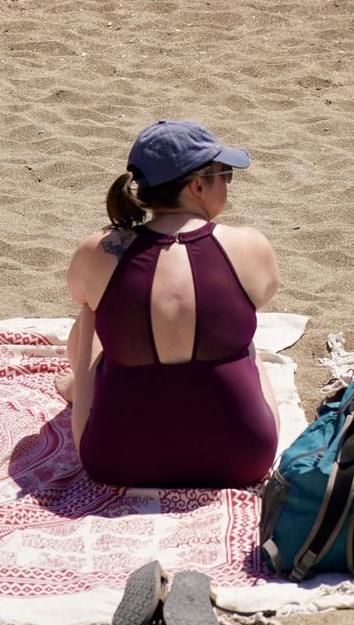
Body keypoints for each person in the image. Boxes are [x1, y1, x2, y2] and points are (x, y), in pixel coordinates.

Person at [63, 119, 281, 488]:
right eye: (224, 174)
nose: (227, 184)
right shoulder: (249, 246)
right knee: (245, 339)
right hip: (243, 457)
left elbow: (78, 291)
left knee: (91, 310)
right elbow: (265, 290)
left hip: (116, 459)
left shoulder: (99, 249)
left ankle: (76, 388)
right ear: (197, 185)